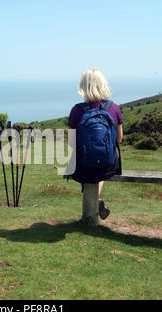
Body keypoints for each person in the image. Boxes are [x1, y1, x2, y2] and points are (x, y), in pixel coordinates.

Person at [67, 68, 124, 220]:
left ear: (83, 87)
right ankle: (96, 199)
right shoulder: (113, 108)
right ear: (103, 84)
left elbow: (71, 143)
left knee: (87, 166)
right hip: (108, 166)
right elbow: (119, 139)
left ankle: (95, 201)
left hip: (82, 168)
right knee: (101, 165)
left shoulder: (77, 110)